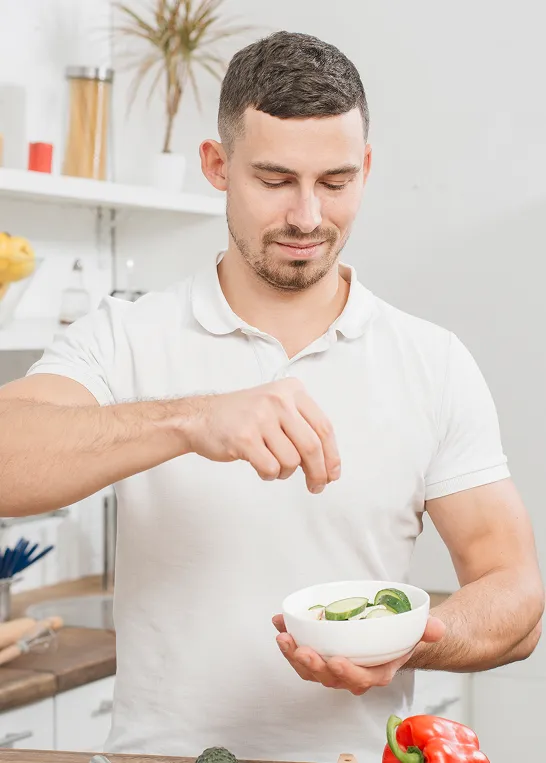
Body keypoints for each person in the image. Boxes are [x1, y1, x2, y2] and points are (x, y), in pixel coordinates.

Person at [0, 30, 543, 762]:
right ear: (217, 166)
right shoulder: (126, 335)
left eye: (336, 181)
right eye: (276, 179)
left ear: (367, 168)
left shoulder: (432, 361)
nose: (308, 217)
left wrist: (406, 644)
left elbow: (515, 593)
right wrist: (190, 418)